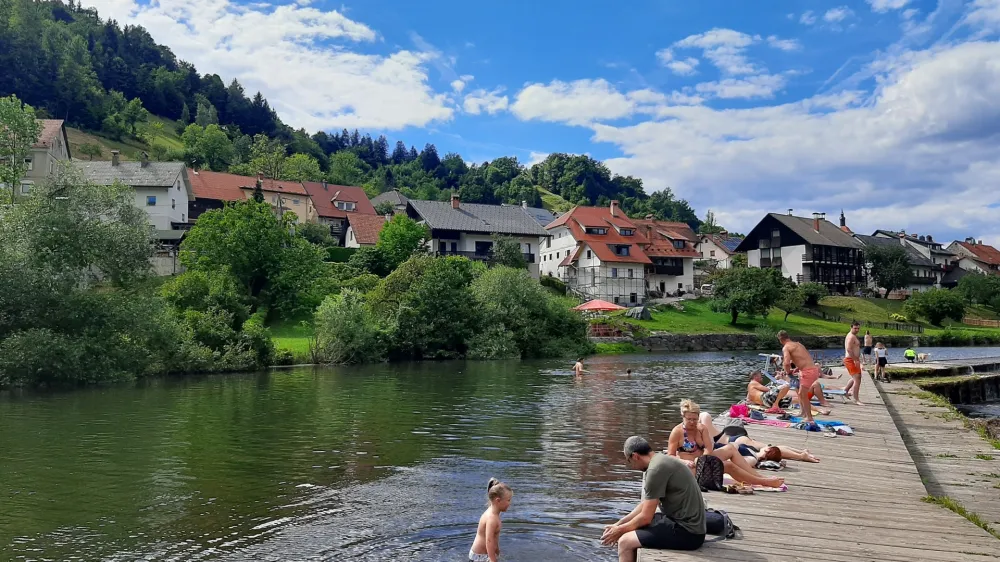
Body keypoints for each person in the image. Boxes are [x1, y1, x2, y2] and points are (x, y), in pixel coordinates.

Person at [601, 436, 706, 562]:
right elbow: (647, 503)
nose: (632, 466)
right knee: (630, 529)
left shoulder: (655, 470)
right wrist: (618, 525)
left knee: (625, 542)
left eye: (629, 461)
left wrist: (619, 531)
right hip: (689, 525)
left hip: (689, 533)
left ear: (635, 456)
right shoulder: (660, 460)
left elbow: (645, 518)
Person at [666, 400, 784, 488]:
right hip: (690, 468)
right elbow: (670, 456)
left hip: (704, 460)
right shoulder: (677, 432)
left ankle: (759, 476)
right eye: (689, 419)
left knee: (731, 448)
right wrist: (685, 461)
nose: (692, 422)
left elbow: (708, 448)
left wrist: (704, 457)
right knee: (727, 465)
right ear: (683, 417)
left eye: (695, 419)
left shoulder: (701, 428)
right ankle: (764, 482)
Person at [699, 412, 821, 463]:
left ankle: (801, 455)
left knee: (704, 416)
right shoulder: (756, 454)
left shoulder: (755, 455)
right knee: (704, 416)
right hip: (725, 439)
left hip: (730, 440)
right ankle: (801, 453)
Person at [777, 330, 824, 425]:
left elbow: (786, 363)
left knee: (803, 395)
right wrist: (797, 368)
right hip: (812, 370)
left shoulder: (786, 347)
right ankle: (803, 413)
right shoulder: (798, 344)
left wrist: (788, 372)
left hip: (807, 372)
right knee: (800, 393)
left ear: (780, 340)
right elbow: (806, 358)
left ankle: (809, 418)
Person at [746, 371, 831, 415]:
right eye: (760, 376)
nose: (761, 378)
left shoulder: (750, 389)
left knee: (798, 399)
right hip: (766, 399)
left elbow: (748, 400)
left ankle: (820, 410)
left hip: (767, 403)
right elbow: (767, 389)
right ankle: (776, 405)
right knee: (786, 386)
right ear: (755, 377)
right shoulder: (753, 383)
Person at [469, 478, 512, 562]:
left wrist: (497, 552)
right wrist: (493, 560)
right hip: (479, 557)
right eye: (508, 500)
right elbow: (489, 541)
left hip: (484, 554)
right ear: (498, 501)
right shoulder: (491, 518)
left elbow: (495, 538)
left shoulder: (494, 513)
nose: (510, 503)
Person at [843, 321, 866, 406]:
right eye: (855, 328)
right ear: (851, 327)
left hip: (854, 359)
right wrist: (855, 359)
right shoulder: (851, 337)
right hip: (850, 360)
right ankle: (856, 399)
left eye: (858, 328)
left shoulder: (854, 336)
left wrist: (857, 359)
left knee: (856, 378)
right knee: (857, 379)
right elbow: (849, 349)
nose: (857, 330)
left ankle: (845, 391)